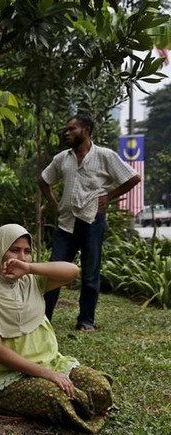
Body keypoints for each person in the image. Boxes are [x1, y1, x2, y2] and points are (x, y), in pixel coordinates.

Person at [0, 224, 113, 433]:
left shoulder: (31, 281)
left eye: (27, 251)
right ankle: (86, 409)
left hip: (51, 364)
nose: (22, 256)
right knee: (56, 397)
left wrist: (29, 268)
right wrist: (47, 375)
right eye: (14, 250)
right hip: (9, 379)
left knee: (100, 388)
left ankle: (87, 407)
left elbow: (72, 271)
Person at [39, 114, 141, 331]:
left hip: (92, 221)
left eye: (72, 129)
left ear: (86, 130)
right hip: (66, 223)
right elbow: (44, 180)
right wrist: (55, 204)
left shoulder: (105, 156)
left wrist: (108, 197)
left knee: (90, 272)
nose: (67, 133)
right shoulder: (62, 158)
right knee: (54, 272)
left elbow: (133, 178)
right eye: (66, 129)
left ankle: (86, 321)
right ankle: (43, 318)